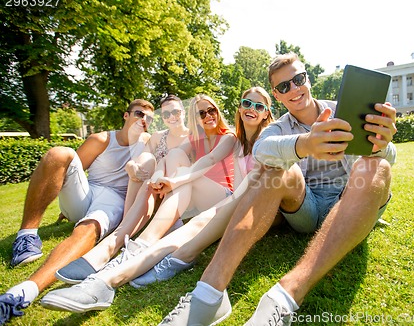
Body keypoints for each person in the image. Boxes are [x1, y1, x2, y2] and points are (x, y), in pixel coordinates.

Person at [156, 52, 398, 326]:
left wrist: (381, 142)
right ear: (277, 94)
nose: (294, 89)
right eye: (284, 87)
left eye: (298, 80)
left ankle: (285, 296)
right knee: (275, 169)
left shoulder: (345, 111)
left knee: (376, 167)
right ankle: (209, 293)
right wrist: (305, 143)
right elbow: (261, 150)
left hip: (349, 201)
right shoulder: (278, 127)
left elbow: (390, 156)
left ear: (307, 78)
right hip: (307, 208)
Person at [39, 87, 275, 313]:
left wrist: (175, 181)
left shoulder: (230, 137)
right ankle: (125, 236)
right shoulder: (207, 139)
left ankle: (133, 241)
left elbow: (208, 164)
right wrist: (153, 173)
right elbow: (165, 157)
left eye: (211, 110)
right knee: (169, 157)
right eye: (201, 113)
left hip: (223, 197)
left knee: (180, 176)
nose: (207, 115)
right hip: (199, 199)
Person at [0, 99, 154, 324]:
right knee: (59, 153)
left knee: (88, 228)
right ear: (126, 115)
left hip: (114, 201)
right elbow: (68, 172)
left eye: (148, 118)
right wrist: (70, 205)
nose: (143, 120)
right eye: (139, 114)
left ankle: (25, 291)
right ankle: (26, 237)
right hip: (87, 193)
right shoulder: (101, 139)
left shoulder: (148, 143)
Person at [52, 95, 190, 284]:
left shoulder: (194, 136)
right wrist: (132, 166)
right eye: (166, 113)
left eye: (176, 111)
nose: (172, 116)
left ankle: (120, 238)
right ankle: (125, 231)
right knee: (145, 163)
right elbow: (144, 157)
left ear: (183, 112)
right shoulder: (157, 137)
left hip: (178, 192)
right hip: (153, 189)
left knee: (170, 160)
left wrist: (167, 178)